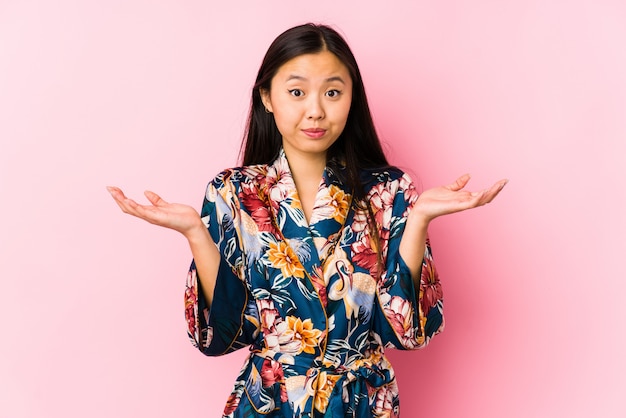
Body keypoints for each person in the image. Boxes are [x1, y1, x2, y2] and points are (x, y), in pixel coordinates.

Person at [108, 23, 506, 418]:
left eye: (333, 92)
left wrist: (418, 220)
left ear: (352, 98)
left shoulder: (389, 191)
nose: (315, 110)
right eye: (296, 92)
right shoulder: (233, 192)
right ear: (267, 96)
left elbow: (405, 331)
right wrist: (195, 232)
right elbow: (225, 332)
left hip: (360, 403)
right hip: (270, 403)